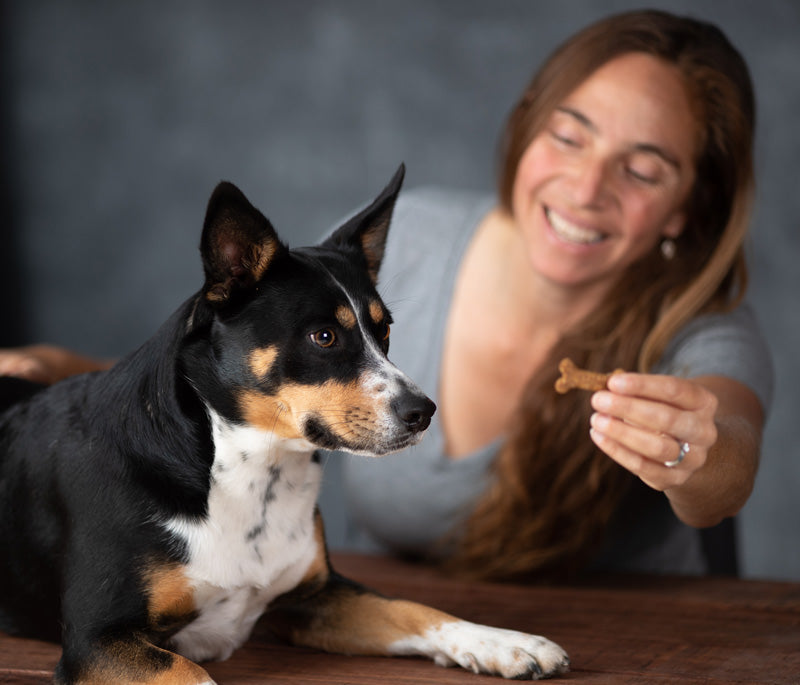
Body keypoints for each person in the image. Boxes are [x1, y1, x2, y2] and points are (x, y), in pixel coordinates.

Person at [1, 10, 773, 581]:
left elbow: (726, 463)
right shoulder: (398, 248)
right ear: (530, 128)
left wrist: (698, 452)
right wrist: (64, 366)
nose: (586, 186)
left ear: (687, 209)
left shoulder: (703, 327)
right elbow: (254, 377)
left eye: (642, 170)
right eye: (570, 136)